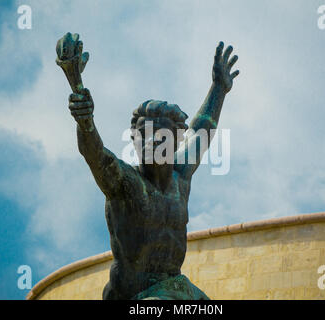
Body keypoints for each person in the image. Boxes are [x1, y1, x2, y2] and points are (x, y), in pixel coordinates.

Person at [67, 41, 239, 300]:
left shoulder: (180, 176)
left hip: (176, 288)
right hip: (134, 296)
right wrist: (85, 119)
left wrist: (219, 89)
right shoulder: (125, 182)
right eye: (142, 135)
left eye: (160, 136)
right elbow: (94, 154)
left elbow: (201, 130)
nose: (150, 142)